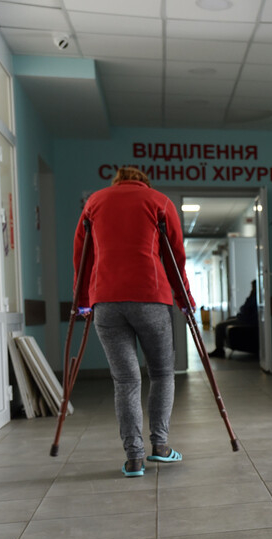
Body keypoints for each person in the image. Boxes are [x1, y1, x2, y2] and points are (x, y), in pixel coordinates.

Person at [73, 166, 193, 477]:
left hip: (106, 301)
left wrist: (83, 300)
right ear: (144, 183)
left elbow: (82, 256)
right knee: (162, 373)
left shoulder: (94, 202)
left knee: (126, 380)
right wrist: (185, 301)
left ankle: (134, 459)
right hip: (151, 297)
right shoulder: (158, 201)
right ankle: (160, 446)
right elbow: (175, 257)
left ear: (117, 182)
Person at [208, 279, 258, 358]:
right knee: (228, 319)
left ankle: (219, 350)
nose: (252, 288)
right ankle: (221, 346)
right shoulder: (253, 296)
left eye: (253, 286)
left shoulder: (255, 298)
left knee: (219, 326)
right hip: (243, 318)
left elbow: (244, 309)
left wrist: (249, 298)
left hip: (246, 321)